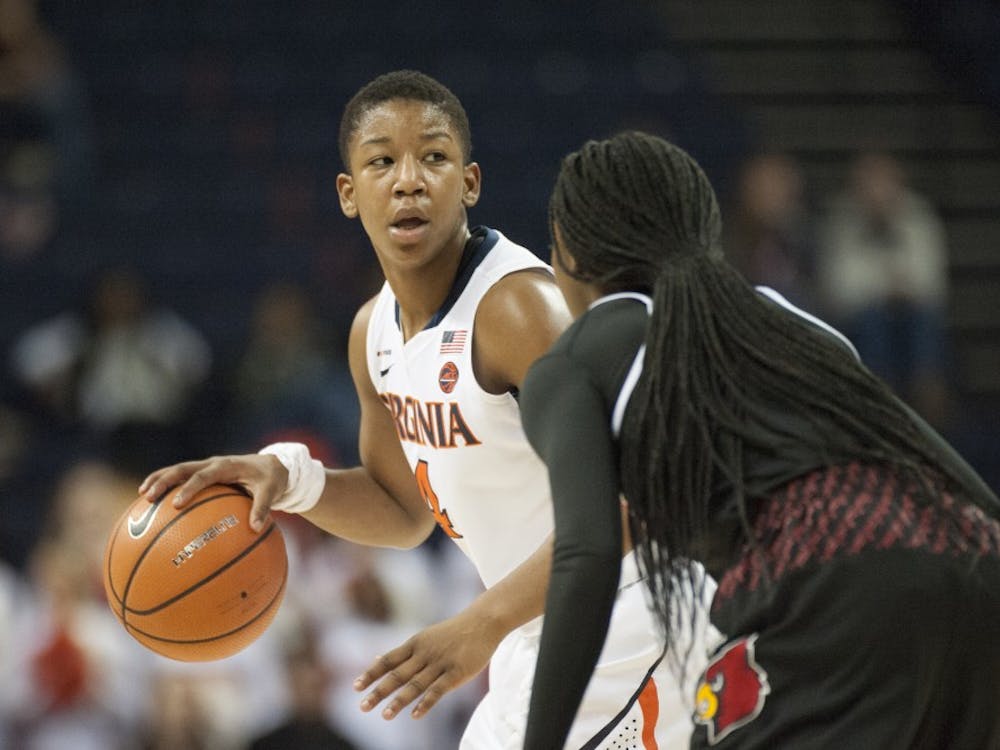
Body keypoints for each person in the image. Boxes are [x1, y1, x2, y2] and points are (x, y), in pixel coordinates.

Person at [138, 71, 695, 748]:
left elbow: (640, 497)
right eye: (381, 161)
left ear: (470, 182)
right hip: (541, 627)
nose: (408, 180)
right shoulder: (372, 332)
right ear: (349, 193)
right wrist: (291, 480)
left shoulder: (516, 310)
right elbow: (403, 510)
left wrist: (479, 624)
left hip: (633, 611)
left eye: (433, 157)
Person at [518, 130, 1000, 749]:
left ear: (570, 256)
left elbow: (586, 556)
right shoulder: (792, 321)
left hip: (831, 577)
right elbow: (910, 447)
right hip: (974, 556)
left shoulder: (572, 365)